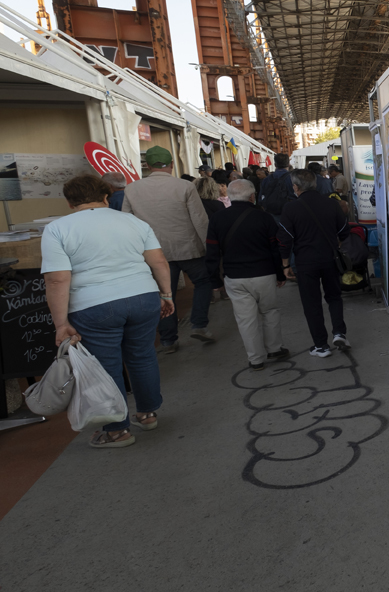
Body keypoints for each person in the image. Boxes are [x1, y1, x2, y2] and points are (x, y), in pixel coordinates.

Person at [41, 175, 175, 448]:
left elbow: (57, 279)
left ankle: (117, 430)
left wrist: (61, 323)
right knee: (142, 355)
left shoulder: (56, 229)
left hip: (94, 306)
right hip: (143, 297)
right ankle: (147, 414)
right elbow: (158, 260)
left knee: (106, 366)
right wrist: (166, 294)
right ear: (106, 197)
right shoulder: (134, 222)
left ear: (69, 202)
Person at [122, 145, 215, 352]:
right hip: (188, 248)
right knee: (202, 282)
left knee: (165, 294)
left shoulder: (132, 188)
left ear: (147, 166)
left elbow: (127, 222)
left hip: (154, 252)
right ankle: (199, 323)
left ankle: (168, 340)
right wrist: (209, 247)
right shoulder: (185, 186)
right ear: (172, 164)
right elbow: (200, 220)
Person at [205, 180, 289, 371]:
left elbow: (212, 251)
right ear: (252, 197)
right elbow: (274, 248)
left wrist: (214, 280)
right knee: (269, 312)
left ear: (230, 196)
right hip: (264, 274)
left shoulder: (217, 219)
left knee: (246, 319)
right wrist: (280, 274)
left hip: (235, 277)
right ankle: (275, 349)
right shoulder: (264, 218)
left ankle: (256, 359)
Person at [279, 169, 351, 357]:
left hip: (305, 262)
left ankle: (321, 345)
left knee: (311, 303)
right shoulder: (332, 205)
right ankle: (339, 333)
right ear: (316, 184)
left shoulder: (290, 208)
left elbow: (285, 240)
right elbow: (344, 231)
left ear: (295, 187)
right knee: (334, 296)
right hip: (329, 258)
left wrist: (285, 265)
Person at [260, 153, 294, 221]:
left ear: (275, 164)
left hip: (271, 213)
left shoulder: (266, 179)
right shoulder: (293, 178)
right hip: (289, 213)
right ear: (288, 164)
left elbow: (261, 198)